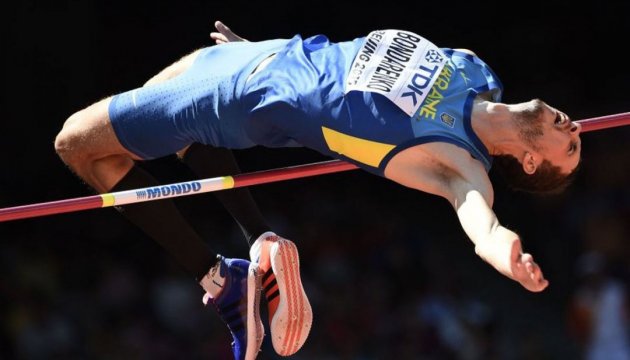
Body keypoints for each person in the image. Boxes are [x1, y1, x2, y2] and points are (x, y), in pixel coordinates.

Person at [54, 20, 582, 359]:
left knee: (76, 143)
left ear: (531, 163)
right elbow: (352, 65)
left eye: (571, 148)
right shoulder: (472, 69)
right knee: (153, 95)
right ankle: (257, 240)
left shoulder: (460, 165)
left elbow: (478, 219)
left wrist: (504, 254)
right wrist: (257, 47)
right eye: (578, 137)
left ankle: (221, 280)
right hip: (272, 54)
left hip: (243, 95)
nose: (577, 129)